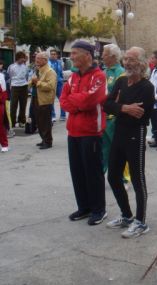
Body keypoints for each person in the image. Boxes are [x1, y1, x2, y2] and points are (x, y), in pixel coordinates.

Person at [104, 47, 155, 238]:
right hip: (119, 132)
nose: (127, 63)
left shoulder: (147, 87)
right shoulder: (121, 81)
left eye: (131, 59)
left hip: (136, 134)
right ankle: (126, 215)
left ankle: (141, 222)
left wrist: (118, 107)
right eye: (125, 59)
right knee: (113, 176)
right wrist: (124, 108)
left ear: (142, 63)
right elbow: (106, 105)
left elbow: (141, 115)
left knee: (137, 178)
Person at [60, 40, 107, 226]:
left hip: (91, 133)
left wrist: (76, 102)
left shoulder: (99, 77)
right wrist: (77, 102)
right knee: (77, 171)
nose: (71, 57)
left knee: (93, 172)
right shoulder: (72, 78)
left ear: (88, 55)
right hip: (73, 132)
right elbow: (63, 101)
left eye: (74, 53)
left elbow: (90, 101)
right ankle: (84, 207)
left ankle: (98, 209)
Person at [101, 43, 130, 188]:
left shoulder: (121, 73)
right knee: (103, 148)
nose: (102, 56)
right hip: (102, 117)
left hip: (115, 119)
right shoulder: (103, 72)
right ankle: (100, 174)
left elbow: (120, 97)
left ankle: (124, 178)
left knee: (118, 149)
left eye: (104, 54)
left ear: (112, 56)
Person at [30, 52, 57, 150]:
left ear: (45, 60)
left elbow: (50, 86)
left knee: (45, 121)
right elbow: (32, 80)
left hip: (45, 100)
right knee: (39, 121)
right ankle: (43, 139)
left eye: (39, 58)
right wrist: (31, 82)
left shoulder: (50, 71)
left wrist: (37, 82)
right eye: (36, 58)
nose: (36, 60)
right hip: (35, 97)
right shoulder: (38, 70)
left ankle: (48, 141)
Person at [7, 51, 28, 128]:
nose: (23, 60)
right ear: (18, 58)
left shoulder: (25, 67)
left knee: (23, 104)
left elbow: (26, 76)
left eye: (24, 58)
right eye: (22, 58)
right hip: (15, 86)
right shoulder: (11, 66)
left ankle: (22, 121)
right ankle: (12, 122)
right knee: (13, 105)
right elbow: (10, 76)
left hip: (24, 86)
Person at [49, 49, 65, 122]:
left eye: (54, 54)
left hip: (59, 83)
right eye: (52, 54)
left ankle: (63, 115)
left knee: (62, 99)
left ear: (57, 55)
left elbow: (61, 72)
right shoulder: (48, 63)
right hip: (51, 83)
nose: (53, 55)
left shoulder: (59, 63)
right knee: (51, 100)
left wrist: (61, 79)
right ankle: (53, 115)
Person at [0, 68, 8, 152]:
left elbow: (4, 93)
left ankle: (4, 144)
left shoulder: (1, 76)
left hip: (0, 103)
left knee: (0, 124)